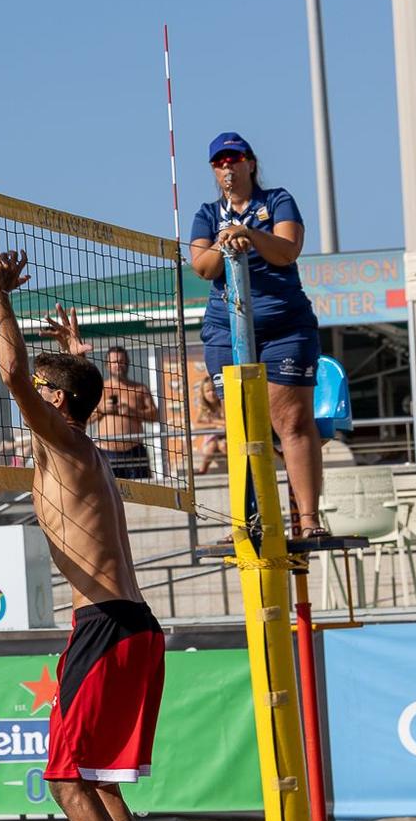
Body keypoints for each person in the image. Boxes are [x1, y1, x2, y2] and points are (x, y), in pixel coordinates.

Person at [0, 250, 162, 821]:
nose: (26, 394)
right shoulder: (82, 450)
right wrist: (75, 356)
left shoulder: (64, 443)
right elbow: (56, 391)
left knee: (66, 780)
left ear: (57, 404)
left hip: (106, 627)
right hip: (134, 623)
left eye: (41, 389)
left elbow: (9, 371)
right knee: (101, 783)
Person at [188, 131, 326, 537]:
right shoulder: (208, 213)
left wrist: (250, 234)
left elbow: (287, 250)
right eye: (219, 161)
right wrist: (225, 238)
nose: (227, 166)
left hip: (283, 327)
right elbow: (202, 267)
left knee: (293, 421)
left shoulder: (277, 200)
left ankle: (308, 519)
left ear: (250, 163)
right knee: (242, 428)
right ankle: (246, 520)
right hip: (227, 330)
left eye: (234, 158)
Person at [93, 346, 160, 480]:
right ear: (107, 365)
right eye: (114, 362)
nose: (118, 365)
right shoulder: (99, 389)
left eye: (121, 361)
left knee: (142, 493)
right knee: (109, 493)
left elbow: (155, 416)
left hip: (134, 451)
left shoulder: (139, 389)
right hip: (107, 451)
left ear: (127, 363)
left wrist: (133, 412)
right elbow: (83, 418)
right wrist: (101, 410)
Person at [194, 372, 227, 476]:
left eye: (214, 390)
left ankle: (233, 467)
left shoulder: (223, 404)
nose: (211, 394)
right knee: (211, 446)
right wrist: (215, 424)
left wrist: (213, 421)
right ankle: (202, 470)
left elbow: (227, 423)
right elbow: (197, 424)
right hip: (212, 438)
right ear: (203, 393)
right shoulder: (203, 407)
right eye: (207, 391)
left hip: (226, 437)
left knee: (223, 445)